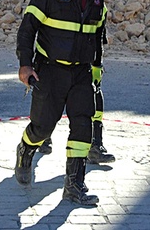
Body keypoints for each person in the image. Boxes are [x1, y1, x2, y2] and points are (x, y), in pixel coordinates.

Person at [15, 0, 107, 206]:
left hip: (81, 74)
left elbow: (98, 37)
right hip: (50, 72)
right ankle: (26, 149)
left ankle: (75, 185)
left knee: (82, 126)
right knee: (43, 127)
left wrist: (97, 70)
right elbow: (27, 29)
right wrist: (25, 64)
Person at [38, 26, 116, 165]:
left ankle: (95, 145)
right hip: (59, 59)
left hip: (85, 60)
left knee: (94, 97)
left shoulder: (98, 6)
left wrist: (97, 64)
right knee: (53, 100)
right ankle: (43, 136)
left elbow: (98, 36)